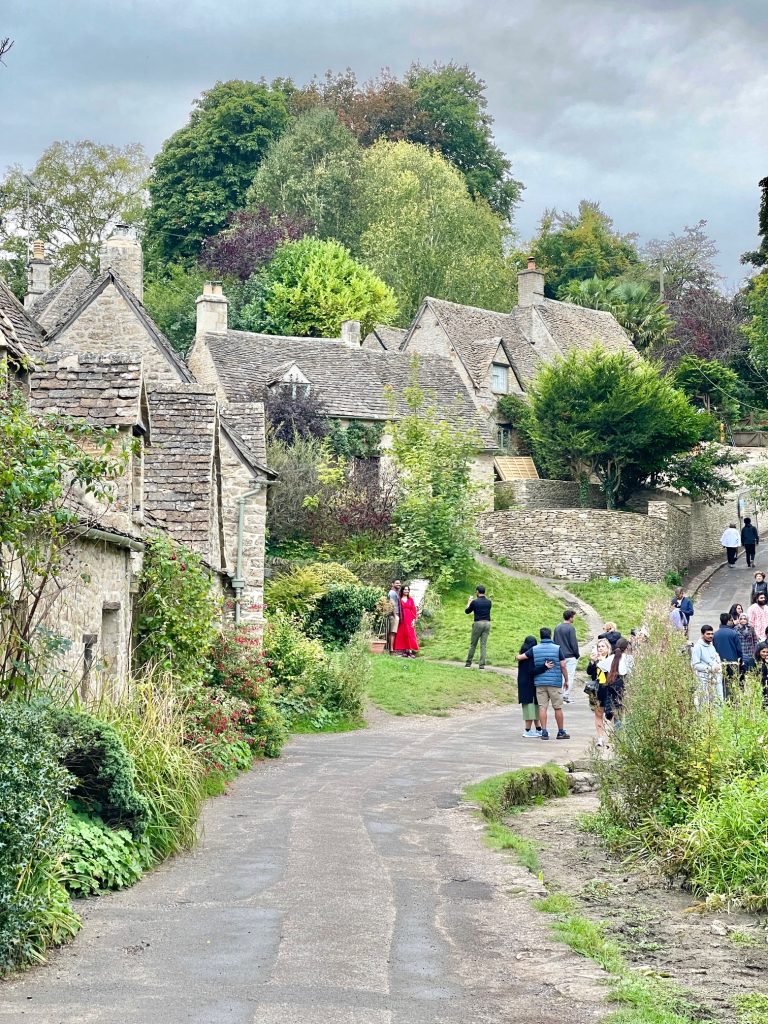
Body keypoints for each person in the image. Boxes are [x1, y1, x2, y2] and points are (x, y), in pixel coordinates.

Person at [531, 627, 570, 740]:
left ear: (540, 636)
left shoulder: (535, 649)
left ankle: (544, 732)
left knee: (542, 707)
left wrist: (517, 657)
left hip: (540, 682)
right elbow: (563, 665)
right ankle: (560, 731)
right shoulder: (557, 648)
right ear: (550, 635)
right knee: (557, 708)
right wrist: (566, 679)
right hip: (554, 682)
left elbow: (525, 658)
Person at [515, 635, 548, 737]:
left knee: (534, 707)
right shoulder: (530, 656)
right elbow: (532, 671)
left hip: (524, 683)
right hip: (529, 684)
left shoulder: (523, 654)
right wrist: (544, 667)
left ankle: (538, 729)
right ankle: (527, 730)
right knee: (530, 707)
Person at [597, 637, 631, 725]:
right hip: (627, 687)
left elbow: (601, 665)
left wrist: (602, 659)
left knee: (616, 714)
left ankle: (617, 730)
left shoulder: (611, 658)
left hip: (614, 687)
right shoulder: (629, 658)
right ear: (627, 648)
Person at [585, 638, 611, 748]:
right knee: (598, 714)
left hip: (608, 688)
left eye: (602, 646)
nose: (600, 648)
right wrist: (592, 662)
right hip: (597, 689)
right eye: (599, 646)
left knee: (611, 714)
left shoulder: (610, 659)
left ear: (608, 648)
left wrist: (602, 661)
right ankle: (600, 738)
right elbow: (589, 672)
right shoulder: (595, 660)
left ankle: (613, 736)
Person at [691, 624, 724, 704]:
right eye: (708, 634)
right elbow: (695, 665)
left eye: (712, 634)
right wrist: (710, 668)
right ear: (702, 634)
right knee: (704, 702)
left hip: (714, 679)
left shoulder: (711, 646)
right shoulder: (698, 647)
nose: (710, 636)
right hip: (703, 679)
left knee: (718, 701)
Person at [713, 612, 743, 698]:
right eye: (731, 620)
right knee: (733, 684)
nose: (732, 622)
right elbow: (739, 649)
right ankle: (733, 700)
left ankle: (724, 699)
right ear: (728, 621)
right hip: (733, 662)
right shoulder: (733, 633)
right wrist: (741, 660)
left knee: (722, 684)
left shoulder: (715, 634)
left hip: (720, 663)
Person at [553, 609, 580, 704]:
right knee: (569, 676)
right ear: (571, 617)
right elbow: (573, 643)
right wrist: (577, 654)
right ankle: (565, 695)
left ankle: (559, 695)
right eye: (574, 617)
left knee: (560, 676)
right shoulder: (571, 628)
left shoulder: (557, 627)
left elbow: (554, 641)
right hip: (570, 655)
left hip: (559, 655)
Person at [464, 585, 492, 669]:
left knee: (473, 644)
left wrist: (469, 602)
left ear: (477, 592)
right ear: (484, 592)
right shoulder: (489, 602)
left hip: (478, 623)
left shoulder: (475, 602)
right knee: (483, 645)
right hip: (487, 623)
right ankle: (482, 665)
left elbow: (467, 611)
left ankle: (468, 663)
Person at [393, 584, 419, 657]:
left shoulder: (411, 599)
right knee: (403, 634)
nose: (406, 591)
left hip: (409, 619)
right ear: (402, 590)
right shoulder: (399, 599)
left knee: (410, 634)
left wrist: (413, 620)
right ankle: (405, 651)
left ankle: (410, 651)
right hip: (402, 619)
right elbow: (396, 608)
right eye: (405, 589)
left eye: (408, 590)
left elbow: (413, 609)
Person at [387, 579, 402, 654]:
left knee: (393, 632)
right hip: (394, 615)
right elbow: (392, 604)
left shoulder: (395, 592)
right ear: (392, 584)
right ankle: (391, 650)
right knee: (392, 632)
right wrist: (395, 615)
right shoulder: (392, 593)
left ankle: (393, 649)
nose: (399, 584)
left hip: (396, 614)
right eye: (397, 583)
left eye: (399, 583)